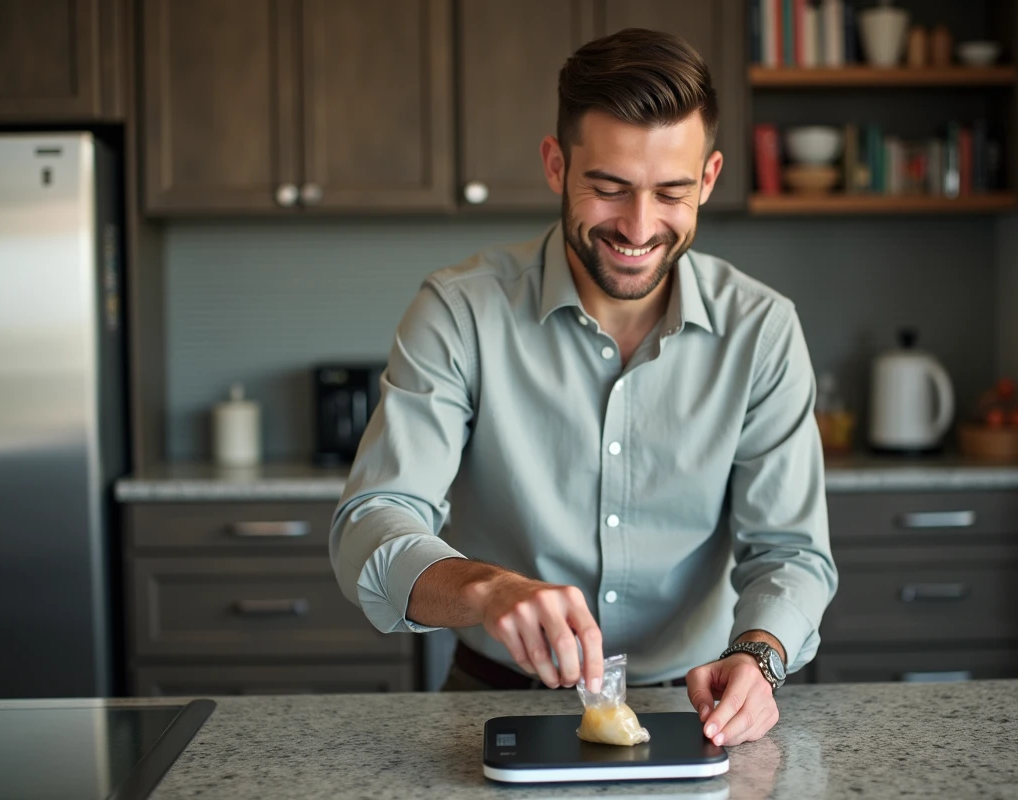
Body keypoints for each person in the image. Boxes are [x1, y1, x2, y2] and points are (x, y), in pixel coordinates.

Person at [330, 28, 837, 748]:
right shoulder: (459, 310)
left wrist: (758, 655)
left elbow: (791, 553)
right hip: (490, 698)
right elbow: (371, 524)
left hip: (696, 707)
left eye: (671, 192)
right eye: (608, 188)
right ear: (555, 164)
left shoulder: (763, 329)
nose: (638, 227)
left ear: (711, 178)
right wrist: (488, 589)